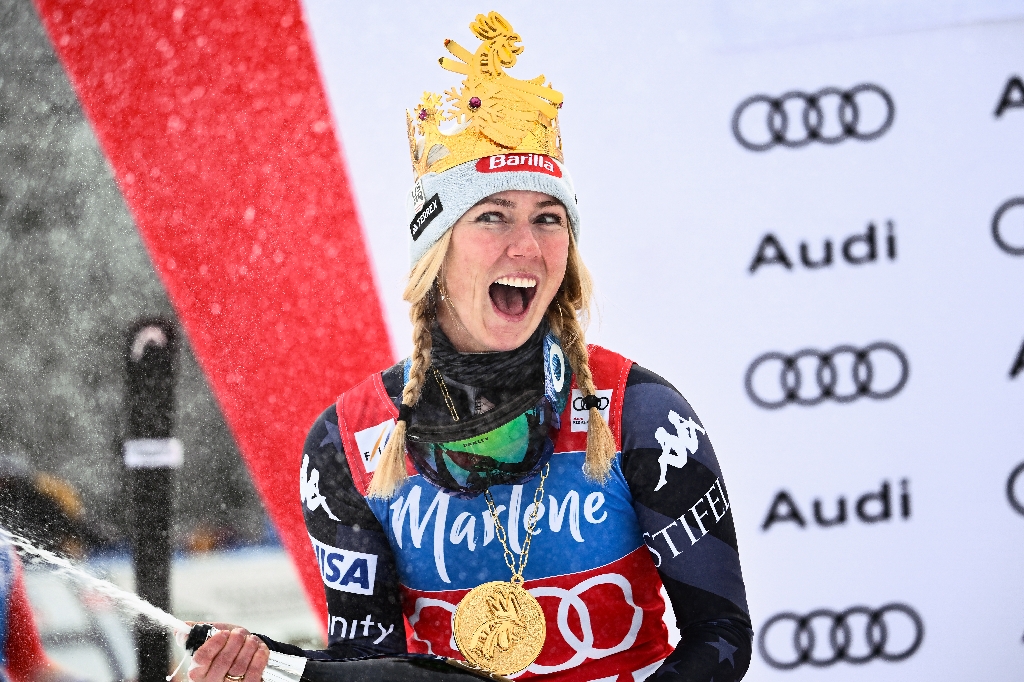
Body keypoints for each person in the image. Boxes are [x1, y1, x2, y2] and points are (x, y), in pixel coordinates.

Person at [191, 11, 751, 682]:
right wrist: (259, 672)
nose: (527, 246)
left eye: (549, 218)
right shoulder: (350, 440)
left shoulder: (639, 411)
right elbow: (366, 667)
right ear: (437, 250)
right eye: (492, 216)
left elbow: (721, 636)